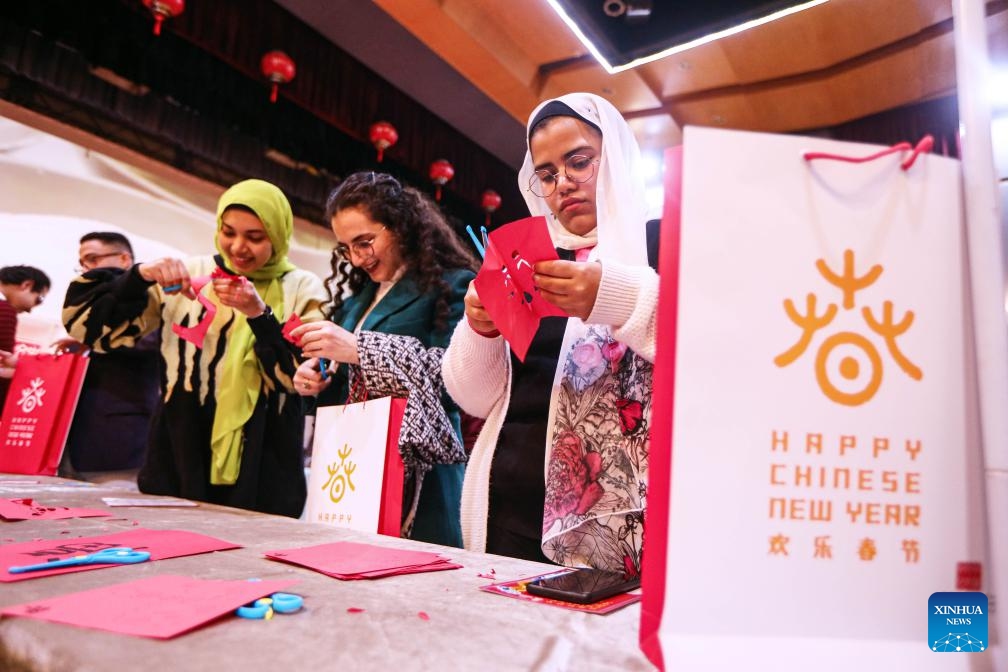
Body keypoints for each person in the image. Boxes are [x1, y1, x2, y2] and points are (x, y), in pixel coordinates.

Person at [442, 93, 660, 572]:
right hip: (509, 511)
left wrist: (612, 295)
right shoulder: (530, 257)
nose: (564, 184)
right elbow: (475, 399)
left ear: (616, 158)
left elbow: (707, 351)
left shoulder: (659, 242)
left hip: (623, 521)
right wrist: (480, 330)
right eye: (547, 174)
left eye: (578, 161)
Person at [63, 179, 327, 516]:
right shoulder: (189, 273)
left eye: (255, 237)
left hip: (264, 454)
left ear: (278, 234)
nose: (238, 247)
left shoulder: (303, 287)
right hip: (180, 445)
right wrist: (140, 276)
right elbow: (90, 327)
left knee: (251, 555)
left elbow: (299, 379)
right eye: (228, 232)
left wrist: (258, 314)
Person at [291, 171, 478, 547]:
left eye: (365, 242)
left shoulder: (453, 285)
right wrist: (316, 377)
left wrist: (359, 350)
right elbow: (344, 383)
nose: (357, 259)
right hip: (353, 465)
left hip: (418, 477)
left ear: (401, 226)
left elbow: (454, 379)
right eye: (346, 248)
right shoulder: (355, 301)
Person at [57, 232, 160, 473]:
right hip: (84, 430)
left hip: (123, 429)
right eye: (82, 263)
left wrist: (93, 340)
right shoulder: (93, 307)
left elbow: (146, 341)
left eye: (92, 259)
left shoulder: (152, 297)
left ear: (125, 260)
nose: (86, 269)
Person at [0, 265, 51, 409]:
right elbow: (3, 363)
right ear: (26, 285)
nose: (30, 310)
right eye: (39, 299)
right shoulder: (4, 310)